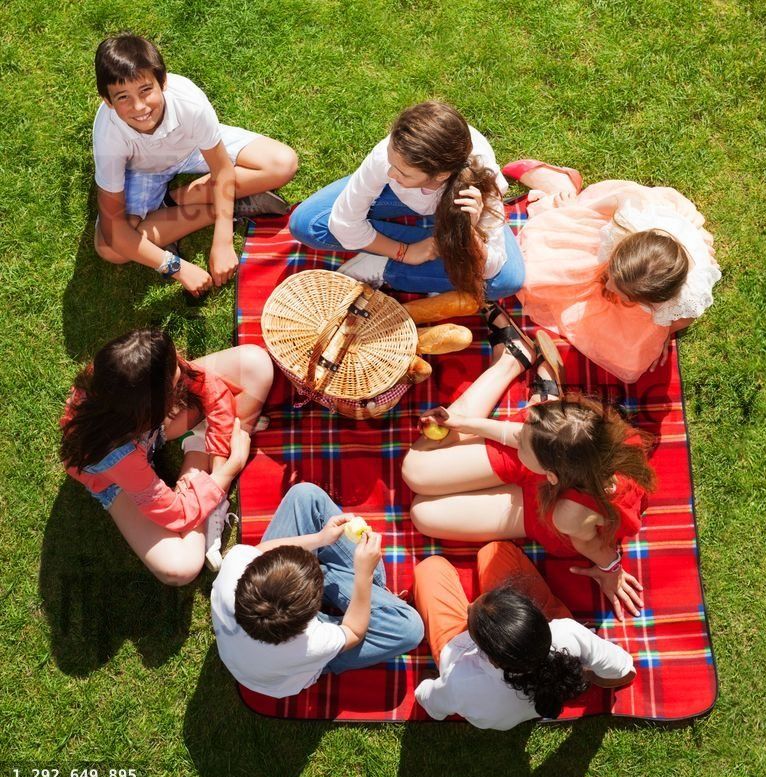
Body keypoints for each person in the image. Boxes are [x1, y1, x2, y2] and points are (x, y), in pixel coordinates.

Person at [401, 309, 655, 620]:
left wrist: (610, 570)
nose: (518, 432)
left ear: (549, 474)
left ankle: (535, 383)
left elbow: (593, 545)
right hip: (552, 458)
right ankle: (522, 370)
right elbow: (517, 435)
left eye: (525, 441)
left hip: (542, 511)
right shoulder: (581, 433)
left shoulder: (570, 514)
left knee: (423, 514)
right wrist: (462, 422)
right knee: (414, 470)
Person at [59, 328, 275, 583]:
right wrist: (229, 469)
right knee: (180, 567)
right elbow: (176, 513)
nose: (183, 376)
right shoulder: (118, 456)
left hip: (146, 432)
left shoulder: (135, 364)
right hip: (118, 480)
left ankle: (204, 467)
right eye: (175, 385)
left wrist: (218, 459)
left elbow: (210, 388)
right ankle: (199, 463)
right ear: (152, 409)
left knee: (256, 365)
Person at [91, 34, 299, 297]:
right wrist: (175, 267)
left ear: (163, 82)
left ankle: (175, 202)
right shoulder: (108, 133)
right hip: (141, 170)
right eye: (123, 97)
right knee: (109, 247)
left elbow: (221, 168)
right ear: (107, 102)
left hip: (191, 148)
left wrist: (223, 241)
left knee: (283, 163)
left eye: (146, 90)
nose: (139, 106)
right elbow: (114, 230)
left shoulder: (189, 102)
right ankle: (223, 207)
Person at [505, 159, 721, 383]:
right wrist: (573, 209)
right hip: (605, 230)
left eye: (621, 292)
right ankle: (563, 186)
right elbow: (603, 206)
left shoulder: (684, 296)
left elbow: (685, 318)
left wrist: (666, 331)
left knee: (629, 357)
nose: (607, 286)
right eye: (612, 279)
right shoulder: (629, 218)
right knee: (538, 273)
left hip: (648, 270)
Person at [288, 100, 523, 302]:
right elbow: (342, 223)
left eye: (403, 173)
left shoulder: (482, 182)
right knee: (306, 224)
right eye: (391, 163)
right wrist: (405, 252)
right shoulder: (390, 156)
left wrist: (468, 232)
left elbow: (490, 267)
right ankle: (426, 248)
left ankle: (384, 267)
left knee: (505, 281)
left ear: (440, 176)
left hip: (449, 203)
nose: (390, 174)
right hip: (399, 198)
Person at [210, 483, 424, 698]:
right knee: (409, 629)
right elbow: (354, 632)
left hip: (256, 655)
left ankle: (341, 573)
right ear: (313, 614)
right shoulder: (310, 643)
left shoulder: (235, 565)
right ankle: (348, 577)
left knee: (305, 495)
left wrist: (320, 539)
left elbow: (262, 551)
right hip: (295, 671)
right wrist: (363, 575)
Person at [413, 541, 635, 730]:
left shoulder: (461, 681)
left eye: (471, 619)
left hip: (462, 659)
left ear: (487, 654)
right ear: (531, 612)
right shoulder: (568, 634)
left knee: (430, 568)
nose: (470, 606)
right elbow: (623, 671)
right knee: (495, 550)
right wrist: (584, 674)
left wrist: (427, 682)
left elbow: (431, 703)